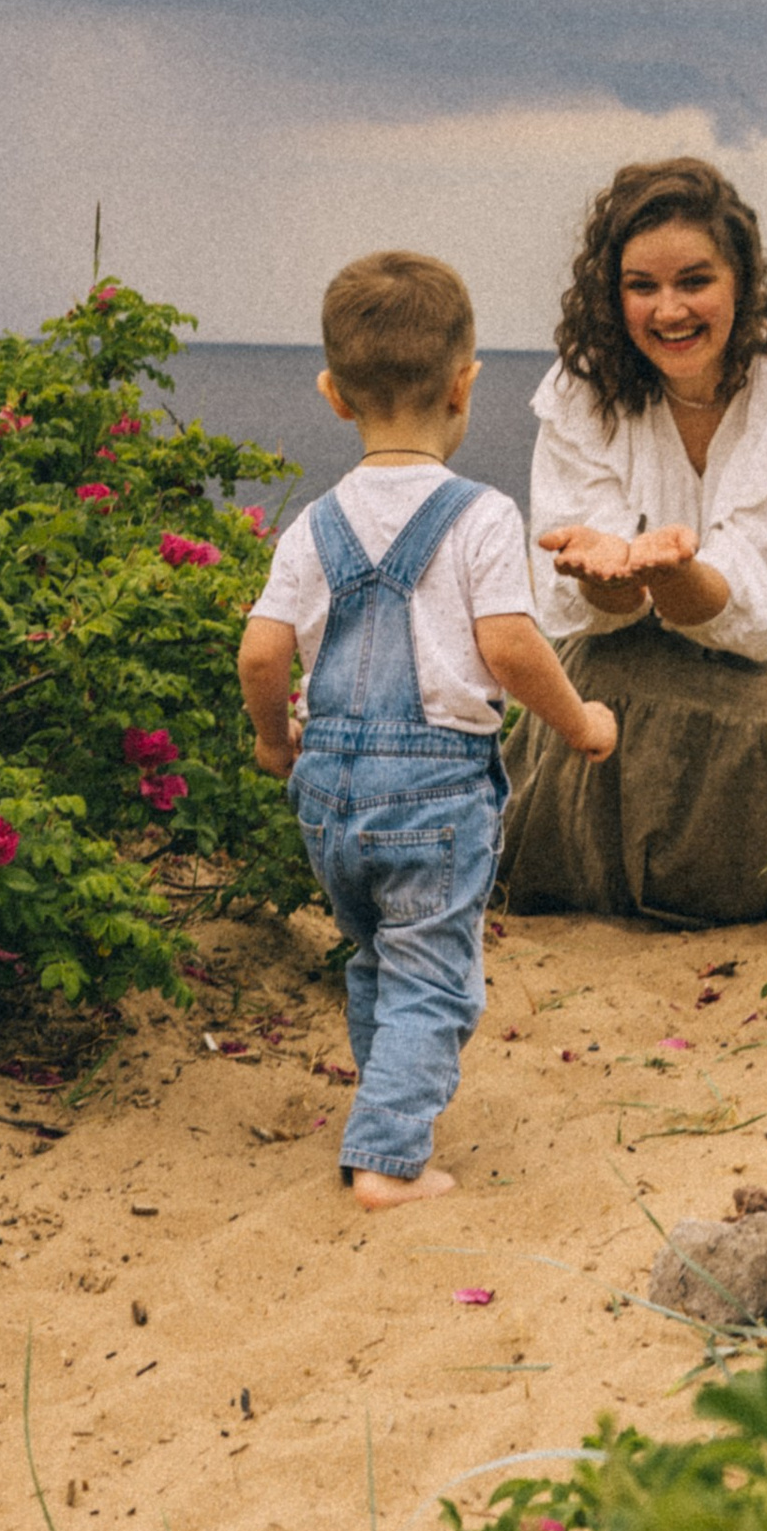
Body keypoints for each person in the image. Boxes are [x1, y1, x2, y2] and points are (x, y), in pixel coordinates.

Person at [238, 249, 616, 1211]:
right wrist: (581, 726)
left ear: (332, 394)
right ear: (465, 383)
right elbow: (512, 646)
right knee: (435, 978)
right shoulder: (481, 516)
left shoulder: (313, 524)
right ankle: (389, 1159)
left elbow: (259, 652)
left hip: (326, 795)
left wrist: (276, 744)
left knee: (380, 956)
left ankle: (381, 1105)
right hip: (434, 792)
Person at [501, 157, 767, 923]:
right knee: (589, 702)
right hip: (625, 612)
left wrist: (677, 573)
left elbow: (760, 608)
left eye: (695, 281)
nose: (669, 311)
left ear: (742, 283)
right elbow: (582, 592)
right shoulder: (584, 388)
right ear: (611, 291)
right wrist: (613, 577)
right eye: (642, 286)